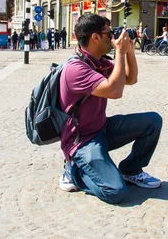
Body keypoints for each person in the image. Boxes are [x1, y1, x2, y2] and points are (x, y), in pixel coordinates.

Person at [58, 13, 162, 204]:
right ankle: (75, 170)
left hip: (102, 130)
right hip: (82, 142)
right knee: (115, 191)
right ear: (95, 38)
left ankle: (131, 170)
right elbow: (115, 91)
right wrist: (120, 53)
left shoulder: (98, 61)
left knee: (153, 121)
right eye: (109, 34)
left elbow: (130, 78)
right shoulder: (76, 69)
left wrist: (129, 50)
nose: (112, 38)